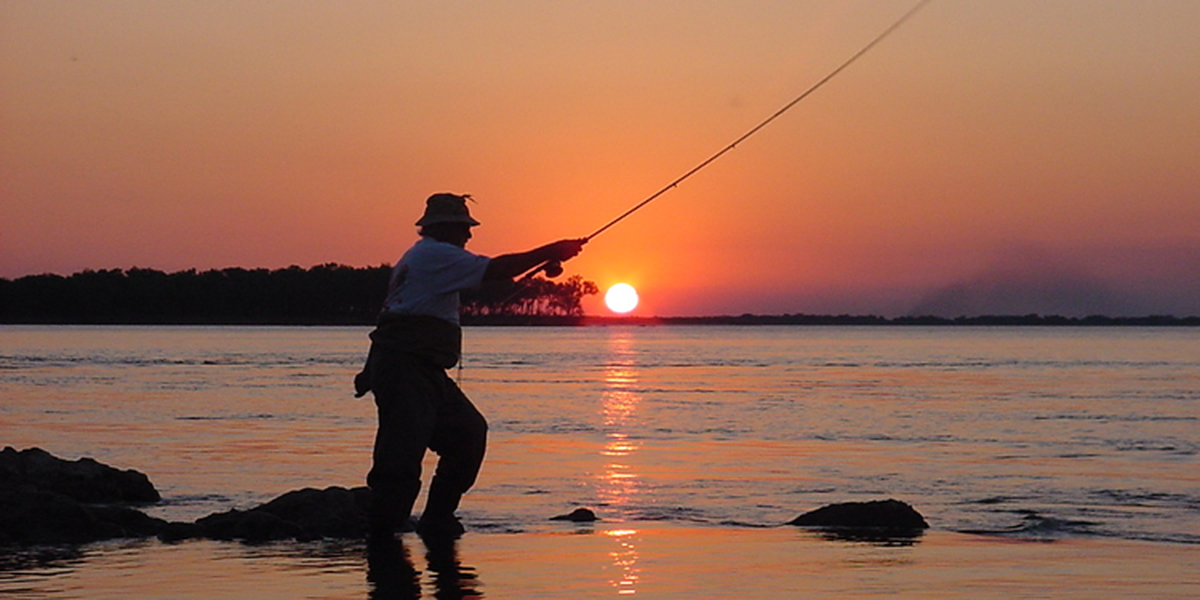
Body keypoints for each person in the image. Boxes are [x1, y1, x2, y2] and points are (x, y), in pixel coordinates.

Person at [356, 192, 585, 540]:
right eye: (463, 227)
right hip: (407, 369)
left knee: (468, 434)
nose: (469, 234)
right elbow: (497, 269)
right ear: (443, 227)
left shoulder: (422, 257)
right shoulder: (435, 254)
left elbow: (394, 313)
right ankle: (383, 536)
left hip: (421, 369)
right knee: (400, 456)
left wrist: (370, 369)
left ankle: (436, 520)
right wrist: (551, 250)